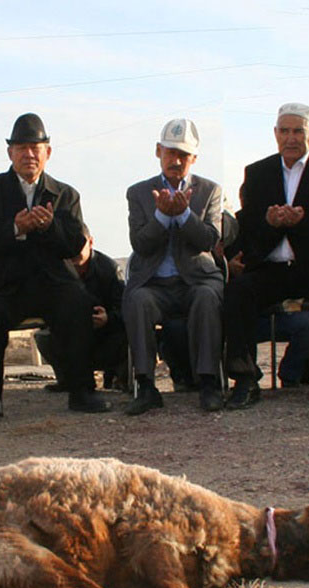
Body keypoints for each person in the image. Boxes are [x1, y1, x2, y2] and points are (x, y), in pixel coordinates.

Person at [0, 113, 111, 423]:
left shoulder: (65, 195)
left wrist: (49, 227)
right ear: (10, 153)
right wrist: (14, 228)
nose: (29, 155)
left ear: (48, 152)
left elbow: (74, 244)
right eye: (21, 148)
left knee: (77, 303)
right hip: (5, 285)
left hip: (51, 282)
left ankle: (82, 391)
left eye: (36, 148)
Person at [224, 102, 309, 410]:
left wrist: (302, 222)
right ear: (275, 134)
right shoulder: (258, 173)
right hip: (274, 265)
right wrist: (271, 224)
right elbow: (249, 231)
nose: (291, 138)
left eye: (298, 131)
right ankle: (245, 379)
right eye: (284, 131)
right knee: (238, 291)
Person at [123, 118, 224, 414]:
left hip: (196, 280)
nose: (176, 161)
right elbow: (140, 244)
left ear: (193, 158)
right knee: (137, 299)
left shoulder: (209, 191)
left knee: (207, 298)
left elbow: (209, 240)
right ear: (158, 151)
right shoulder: (139, 193)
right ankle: (146, 386)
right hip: (155, 283)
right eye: (170, 153)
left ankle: (208, 383)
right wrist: (162, 217)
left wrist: (182, 215)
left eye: (183, 155)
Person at [32, 229, 127, 392]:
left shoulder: (109, 269)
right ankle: (68, 380)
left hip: (104, 335)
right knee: (44, 337)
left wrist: (107, 319)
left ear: (90, 243)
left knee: (126, 337)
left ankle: (121, 379)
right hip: (69, 334)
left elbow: (123, 308)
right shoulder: (57, 269)